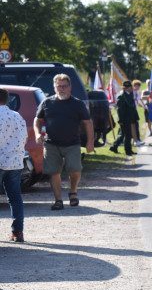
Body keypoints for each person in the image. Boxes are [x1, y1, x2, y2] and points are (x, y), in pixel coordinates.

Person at [34, 73, 95, 210]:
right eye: (58, 86)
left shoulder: (77, 104)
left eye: (64, 86)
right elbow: (37, 120)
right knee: (53, 172)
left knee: (75, 169)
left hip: (72, 143)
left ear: (70, 87)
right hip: (51, 143)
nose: (61, 89)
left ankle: (73, 191)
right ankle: (58, 200)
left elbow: (88, 122)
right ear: (54, 87)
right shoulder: (47, 102)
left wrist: (90, 141)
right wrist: (38, 133)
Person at [0, 88, 28, 242]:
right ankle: (17, 232)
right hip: (15, 162)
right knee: (15, 198)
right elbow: (24, 137)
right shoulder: (17, 116)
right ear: (7, 99)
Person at [109, 80, 139, 160]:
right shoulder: (122, 97)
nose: (130, 88)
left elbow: (133, 107)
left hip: (130, 117)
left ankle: (113, 147)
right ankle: (128, 151)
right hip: (124, 119)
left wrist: (136, 117)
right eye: (128, 87)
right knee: (127, 135)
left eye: (129, 87)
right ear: (126, 88)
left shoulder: (129, 95)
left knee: (122, 134)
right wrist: (120, 120)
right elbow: (120, 109)